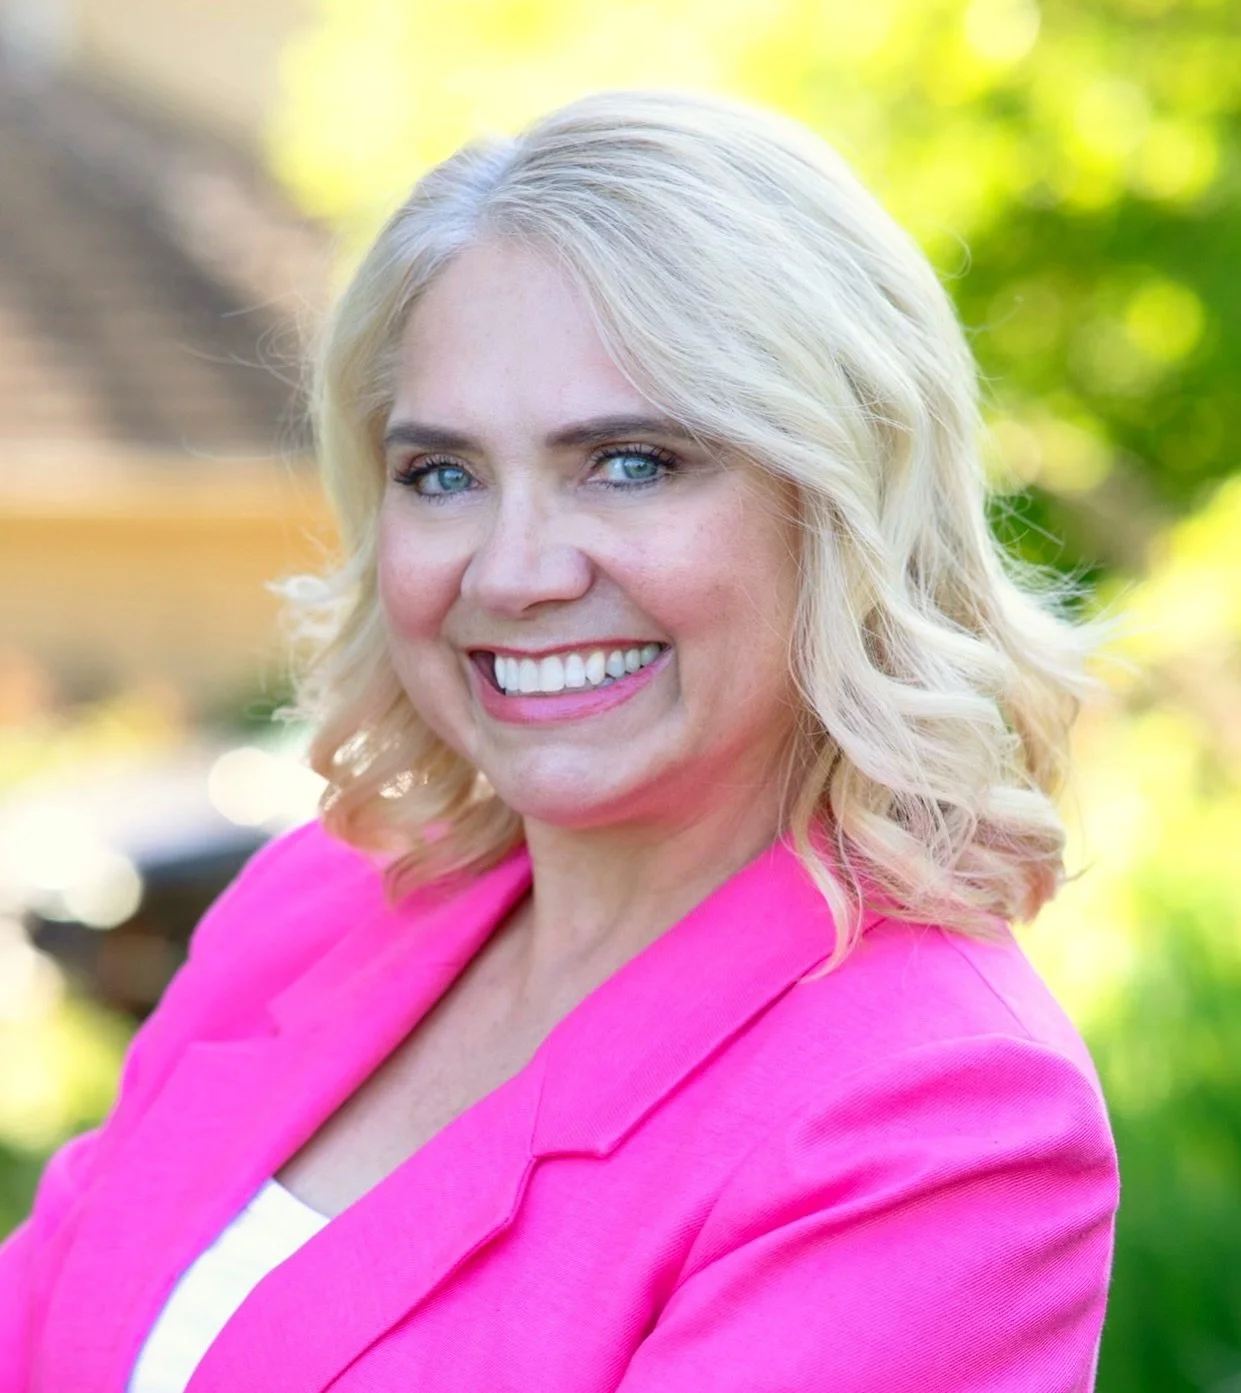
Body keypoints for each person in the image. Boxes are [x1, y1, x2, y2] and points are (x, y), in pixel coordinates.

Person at [0, 89, 1118, 1392]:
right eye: (442, 473)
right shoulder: (323, 904)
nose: (516, 570)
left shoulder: (939, 1115)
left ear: (839, 504)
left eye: (632, 461)